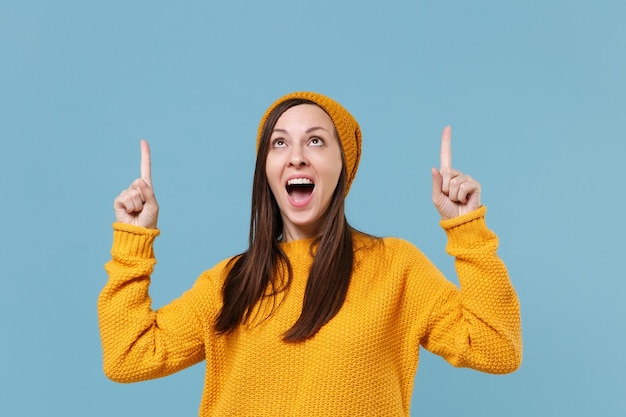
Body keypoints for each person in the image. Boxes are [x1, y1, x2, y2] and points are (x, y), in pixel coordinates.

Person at [98, 91, 522, 416]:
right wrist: (134, 241)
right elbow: (128, 355)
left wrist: (467, 228)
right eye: (279, 144)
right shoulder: (230, 282)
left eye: (315, 141)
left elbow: (495, 347)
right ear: (266, 168)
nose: (296, 157)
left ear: (343, 165)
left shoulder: (396, 267)